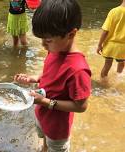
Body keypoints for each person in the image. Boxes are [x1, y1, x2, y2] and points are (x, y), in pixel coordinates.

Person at [14, 0, 91, 151]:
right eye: (41, 39)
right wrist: (35, 78)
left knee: (55, 146)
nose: (43, 45)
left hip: (57, 126)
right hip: (42, 113)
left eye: (48, 40)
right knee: (44, 139)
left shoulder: (78, 70)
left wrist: (47, 102)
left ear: (71, 34)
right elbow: (50, 69)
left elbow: (81, 106)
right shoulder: (55, 49)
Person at [96, 0, 125, 80]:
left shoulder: (114, 11)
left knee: (107, 65)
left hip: (110, 46)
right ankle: (117, 79)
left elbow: (105, 31)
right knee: (122, 64)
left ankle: (102, 83)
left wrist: (99, 45)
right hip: (122, 48)